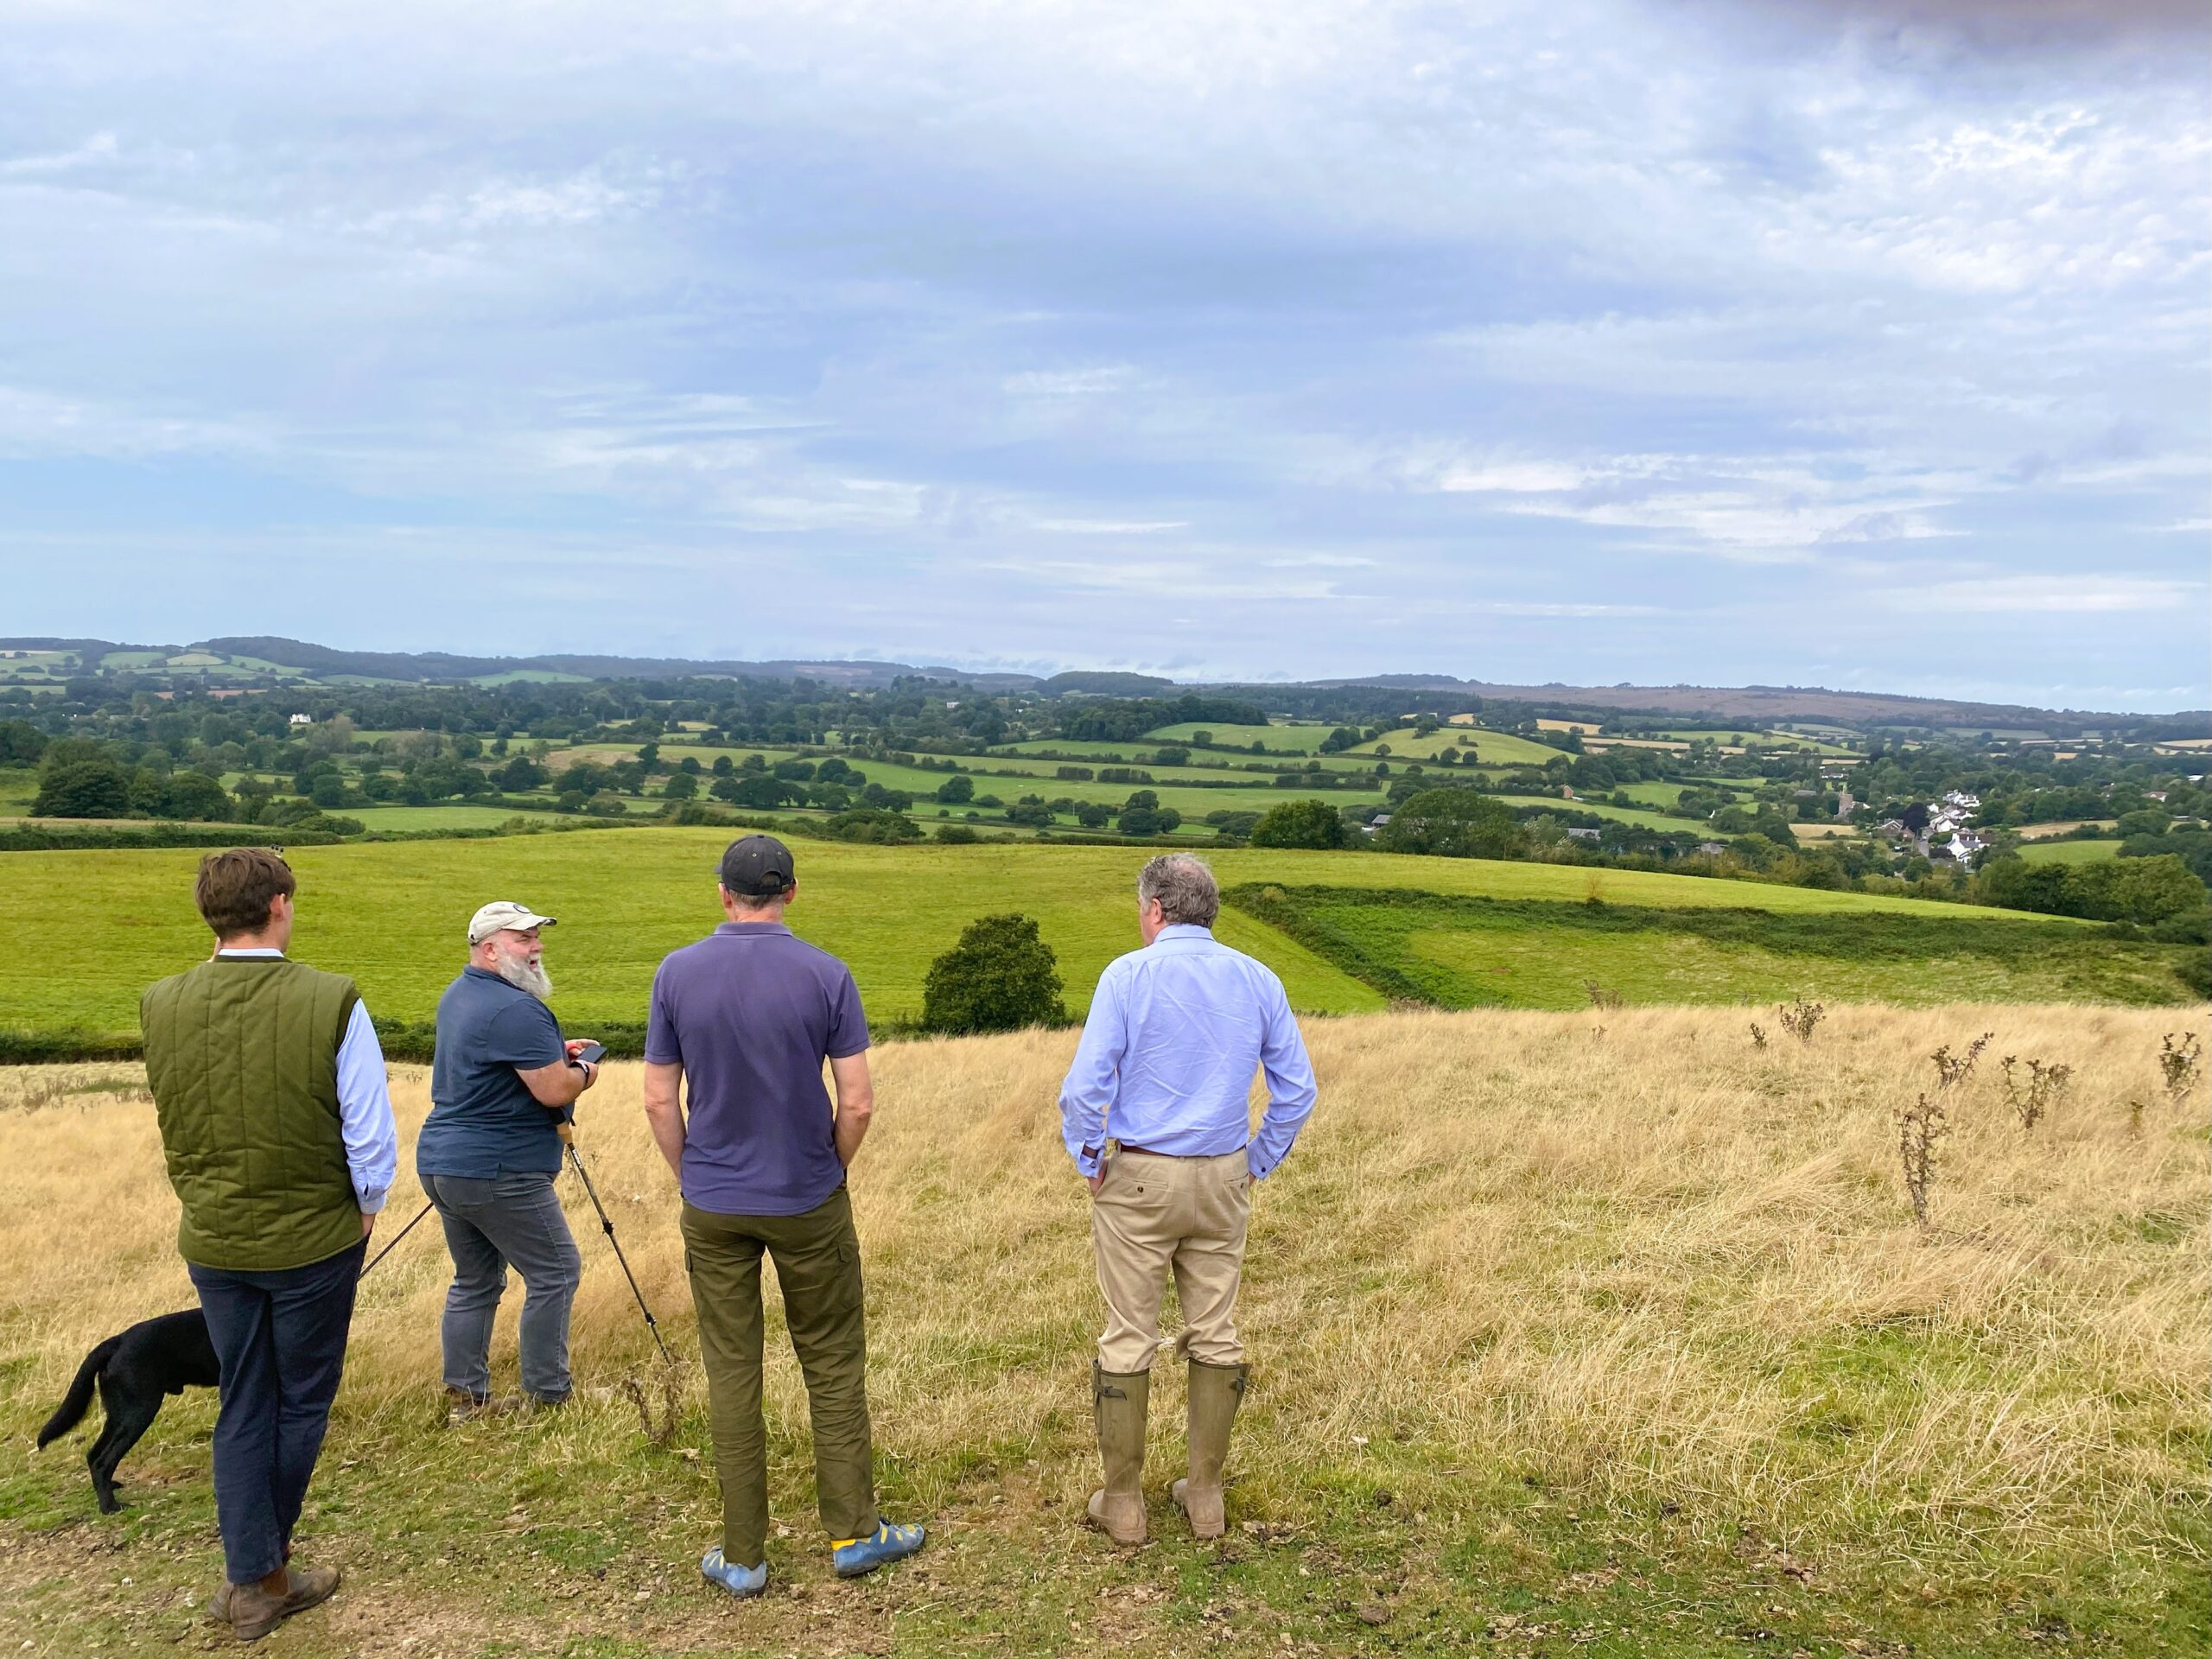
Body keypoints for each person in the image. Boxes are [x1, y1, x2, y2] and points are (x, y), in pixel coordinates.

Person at [642, 835, 925, 1599]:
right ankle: (855, 1534)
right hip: (807, 1196)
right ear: (791, 892)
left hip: (714, 1202)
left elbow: (658, 1098)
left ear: (722, 892)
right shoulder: (827, 974)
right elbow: (858, 1101)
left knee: (731, 1370)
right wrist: (831, 1166)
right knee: (831, 1362)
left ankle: (744, 1556)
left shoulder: (676, 973)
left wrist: (692, 1174)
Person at [140, 848, 397, 1642]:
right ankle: (260, 1577)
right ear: (279, 903)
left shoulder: (162, 1002)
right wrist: (364, 1210)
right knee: (302, 1399)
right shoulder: (331, 1000)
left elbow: (174, 1117)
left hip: (214, 1240)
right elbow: (370, 1133)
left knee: (245, 1399)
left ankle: (253, 1569)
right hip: (313, 1240)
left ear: (208, 914)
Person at [1058, 852, 1317, 1546]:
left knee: (1128, 1334)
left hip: (1140, 1176)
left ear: (1154, 910)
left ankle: (1124, 1504)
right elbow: (1298, 1091)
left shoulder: (1127, 975)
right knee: (1216, 1330)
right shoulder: (1257, 978)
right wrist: (1256, 1161)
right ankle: (1205, 1497)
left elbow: (1085, 1090)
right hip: (1225, 1175)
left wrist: (1088, 1158)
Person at [416, 901, 599, 1416]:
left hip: (443, 1161)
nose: (537, 947)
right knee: (556, 1270)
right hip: (499, 1168)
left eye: (538, 936)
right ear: (490, 949)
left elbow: (497, 1061)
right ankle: (548, 1394)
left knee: (475, 1279)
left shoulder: (461, 994)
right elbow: (553, 1089)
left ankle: (465, 1396)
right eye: (524, 938)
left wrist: (548, 1052)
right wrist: (585, 1072)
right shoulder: (518, 1009)